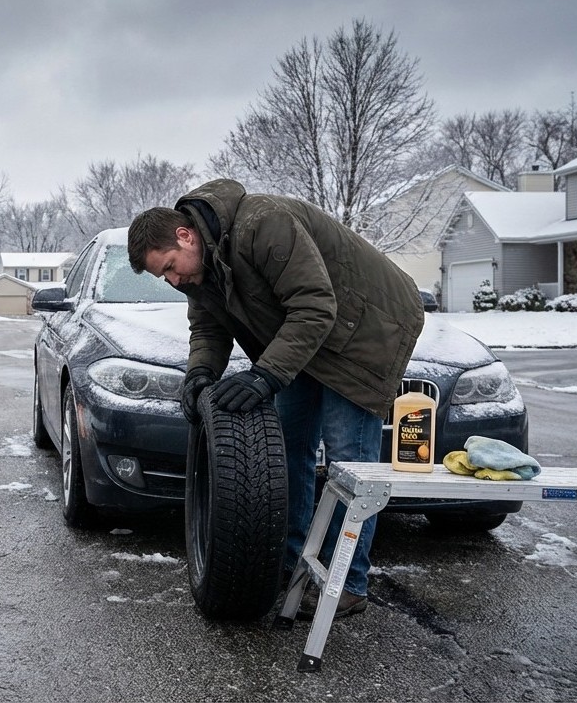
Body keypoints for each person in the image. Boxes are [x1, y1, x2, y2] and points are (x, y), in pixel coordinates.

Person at [127, 179, 424, 620]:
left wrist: (265, 374)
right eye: (164, 276)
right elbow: (208, 328)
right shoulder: (200, 269)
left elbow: (315, 306)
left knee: (348, 463)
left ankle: (346, 584)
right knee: (287, 451)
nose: (173, 280)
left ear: (185, 236)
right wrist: (201, 373)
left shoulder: (264, 224)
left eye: (170, 266)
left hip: (365, 331)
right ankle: (291, 569)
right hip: (305, 338)